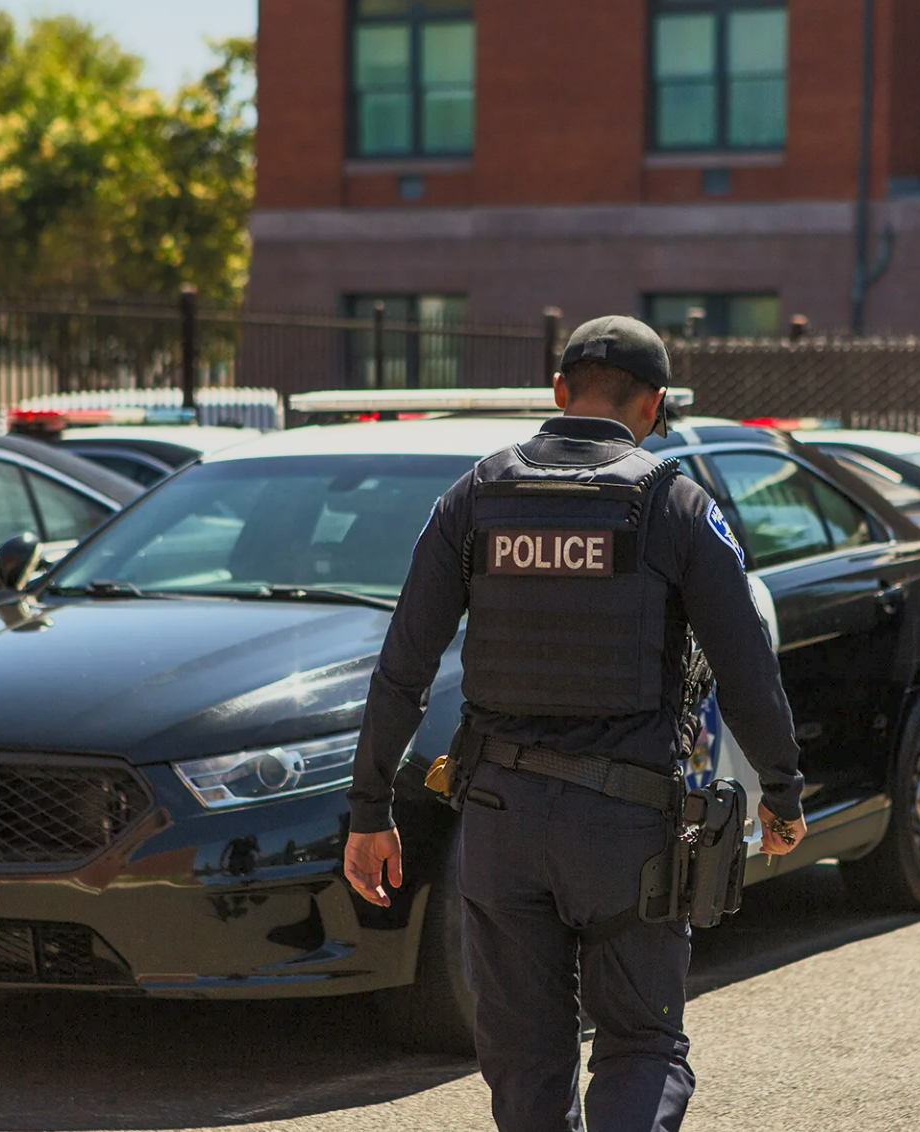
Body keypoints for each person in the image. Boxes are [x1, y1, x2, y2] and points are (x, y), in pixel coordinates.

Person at [344, 315, 807, 1132]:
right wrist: (781, 790)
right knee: (640, 1045)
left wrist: (370, 812)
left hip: (498, 825)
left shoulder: (475, 494)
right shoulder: (675, 501)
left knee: (524, 1056)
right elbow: (745, 666)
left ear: (557, 391)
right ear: (655, 403)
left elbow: (403, 666)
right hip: (625, 832)